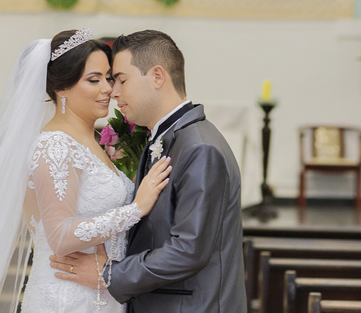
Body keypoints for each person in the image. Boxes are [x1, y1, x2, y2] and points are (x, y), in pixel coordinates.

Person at [0, 29, 172, 313]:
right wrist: (136, 208)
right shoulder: (55, 145)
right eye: (94, 79)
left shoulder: (89, 141)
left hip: (99, 292)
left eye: (110, 78)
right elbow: (60, 236)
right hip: (67, 297)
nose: (109, 90)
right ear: (61, 87)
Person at [49, 29, 247, 313]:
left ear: (157, 76)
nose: (113, 92)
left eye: (121, 80)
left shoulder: (200, 148)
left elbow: (189, 250)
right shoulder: (166, 138)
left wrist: (110, 274)